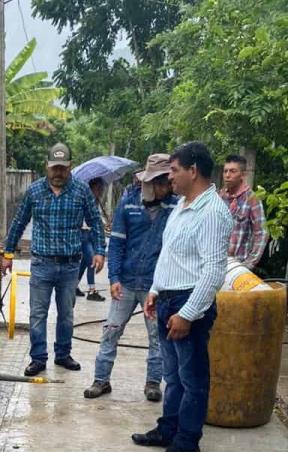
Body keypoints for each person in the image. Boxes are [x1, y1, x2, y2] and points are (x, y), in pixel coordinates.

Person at [132, 142, 233, 452]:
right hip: (168, 300)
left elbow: (214, 271)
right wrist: (155, 290)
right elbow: (170, 255)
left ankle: (186, 443)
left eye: (174, 170)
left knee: (193, 381)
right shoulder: (182, 205)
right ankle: (168, 431)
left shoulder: (213, 211)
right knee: (173, 377)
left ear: (193, 170)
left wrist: (188, 314)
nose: (169, 177)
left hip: (189, 303)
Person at [2, 142, 106, 377]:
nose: (58, 173)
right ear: (47, 167)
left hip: (70, 265)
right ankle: (38, 358)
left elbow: (96, 222)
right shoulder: (34, 191)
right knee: (38, 313)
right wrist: (8, 254)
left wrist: (100, 250)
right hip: (41, 264)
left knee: (66, 313)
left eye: (63, 168)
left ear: (70, 167)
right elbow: (19, 223)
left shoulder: (81, 192)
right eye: (54, 168)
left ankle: (63, 354)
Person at [84, 154, 178, 402]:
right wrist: (114, 277)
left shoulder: (176, 206)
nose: (165, 187)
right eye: (160, 182)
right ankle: (101, 380)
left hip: (156, 286)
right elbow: (116, 243)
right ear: (149, 182)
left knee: (157, 337)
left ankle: (153, 383)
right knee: (111, 331)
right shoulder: (128, 202)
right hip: (126, 281)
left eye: (167, 181)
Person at [220, 154, 268, 269]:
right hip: (216, 265)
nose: (227, 175)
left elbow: (262, 233)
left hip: (238, 267)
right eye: (225, 171)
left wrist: (248, 264)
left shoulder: (252, 199)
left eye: (232, 171)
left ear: (243, 174)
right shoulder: (220, 197)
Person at [76, 177, 107, 301]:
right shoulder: (84, 200)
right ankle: (92, 291)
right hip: (84, 235)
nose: (100, 191)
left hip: (91, 235)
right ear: (92, 188)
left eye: (101, 189)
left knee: (84, 263)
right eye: (98, 188)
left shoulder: (95, 201)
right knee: (92, 262)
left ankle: (74, 286)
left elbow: (97, 219)